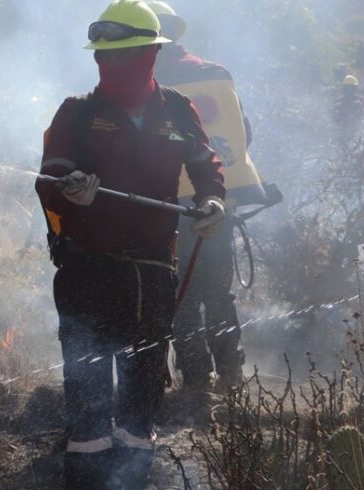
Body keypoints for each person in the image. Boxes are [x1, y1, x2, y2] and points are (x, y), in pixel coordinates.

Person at [37, 0, 226, 490]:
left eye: (122, 56)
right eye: (104, 57)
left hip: (153, 272)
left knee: (144, 381)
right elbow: (49, 177)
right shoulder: (76, 112)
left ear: (149, 54)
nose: (110, 67)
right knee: (90, 385)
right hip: (89, 271)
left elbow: (206, 168)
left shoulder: (177, 111)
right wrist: (67, 192)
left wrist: (212, 201)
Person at [148, 0, 268, 391]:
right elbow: (242, 134)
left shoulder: (147, 84)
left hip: (169, 206)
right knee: (217, 292)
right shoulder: (215, 74)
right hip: (219, 200)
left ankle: (197, 380)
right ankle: (231, 375)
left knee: (180, 295)